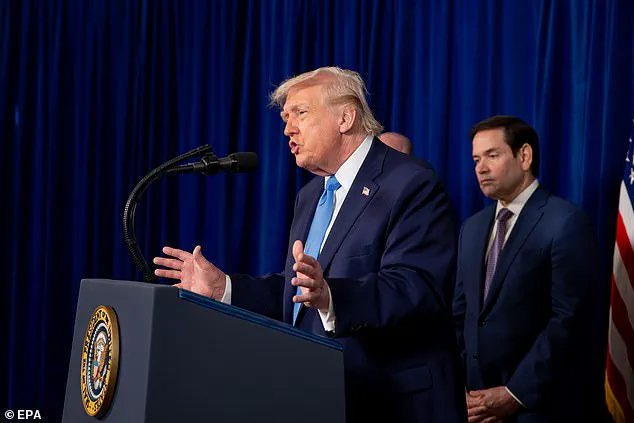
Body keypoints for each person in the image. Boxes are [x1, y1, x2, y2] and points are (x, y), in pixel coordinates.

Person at [154, 67, 466, 422]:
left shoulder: (410, 182)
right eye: (285, 118)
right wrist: (224, 288)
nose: (288, 128)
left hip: (393, 404)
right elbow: (299, 292)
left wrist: (332, 296)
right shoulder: (311, 194)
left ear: (345, 118)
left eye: (300, 113)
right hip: (322, 397)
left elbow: (416, 287)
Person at [453, 115, 602, 422]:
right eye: (476, 159)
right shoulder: (472, 228)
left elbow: (569, 320)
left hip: (537, 408)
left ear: (524, 156)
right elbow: (461, 313)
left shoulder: (566, 222)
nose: (480, 168)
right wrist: (467, 390)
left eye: (492, 155)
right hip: (476, 407)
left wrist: (514, 394)